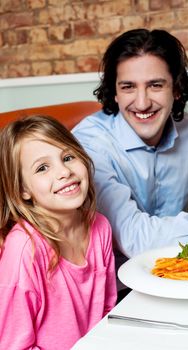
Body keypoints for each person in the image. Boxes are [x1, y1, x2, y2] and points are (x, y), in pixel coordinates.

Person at [72, 28, 188, 287]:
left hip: (182, 273)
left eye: (155, 85)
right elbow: (136, 238)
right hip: (115, 291)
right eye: (128, 87)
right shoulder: (90, 145)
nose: (142, 102)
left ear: (177, 89)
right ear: (114, 92)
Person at [0, 115, 117, 350]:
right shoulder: (25, 248)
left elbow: (107, 311)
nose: (64, 171)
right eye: (42, 168)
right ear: (22, 189)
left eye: (68, 157)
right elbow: (12, 345)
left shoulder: (100, 227)